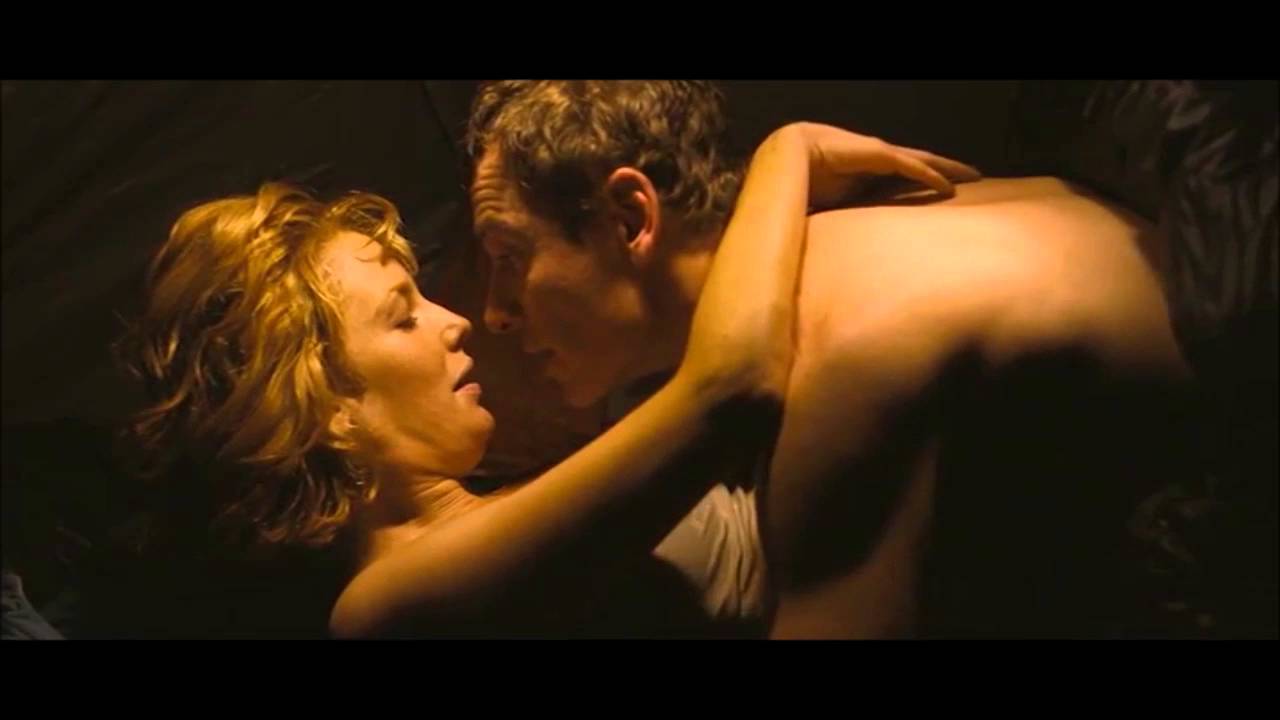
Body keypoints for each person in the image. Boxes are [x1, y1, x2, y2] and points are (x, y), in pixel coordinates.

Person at [119, 118, 976, 637]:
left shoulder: (502, 498)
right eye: (402, 316)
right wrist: (786, 156)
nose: (456, 321)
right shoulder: (386, 608)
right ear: (327, 410)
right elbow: (732, 390)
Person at [467, 80, 1193, 638]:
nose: (494, 312)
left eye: (509, 256)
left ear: (630, 219)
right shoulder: (839, 233)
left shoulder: (839, 355)